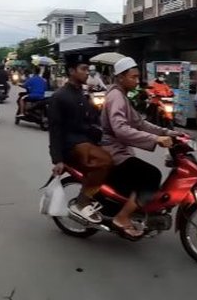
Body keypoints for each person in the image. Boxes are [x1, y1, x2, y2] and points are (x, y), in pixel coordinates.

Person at [101, 57, 178, 240]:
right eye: (133, 77)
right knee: (152, 175)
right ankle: (121, 218)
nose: (137, 81)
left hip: (120, 149)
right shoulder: (116, 97)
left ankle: (132, 210)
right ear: (121, 77)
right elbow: (121, 129)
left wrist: (170, 132)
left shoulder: (122, 96)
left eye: (138, 77)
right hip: (113, 151)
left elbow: (139, 123)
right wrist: (156, 138)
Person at [49, 55, 114, 224]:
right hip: (72, 145)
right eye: (83, 69)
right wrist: (57, 159)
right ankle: (82, 202)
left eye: (88, 69)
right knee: (106, 160)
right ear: (71, 71)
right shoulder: (59, 96)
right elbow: (54, 130)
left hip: (86, 141)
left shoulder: (83, 94)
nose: (87, 73)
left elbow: (94, 120)